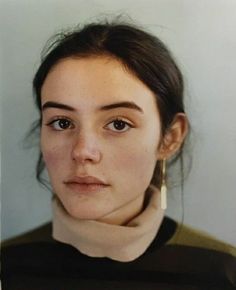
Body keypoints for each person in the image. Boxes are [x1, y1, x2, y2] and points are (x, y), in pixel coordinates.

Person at [1, 19, 236, 290]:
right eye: (62, 123)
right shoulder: (8, 267)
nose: (82, 152)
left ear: (169, 138)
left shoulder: (221, 273)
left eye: (118, 124)